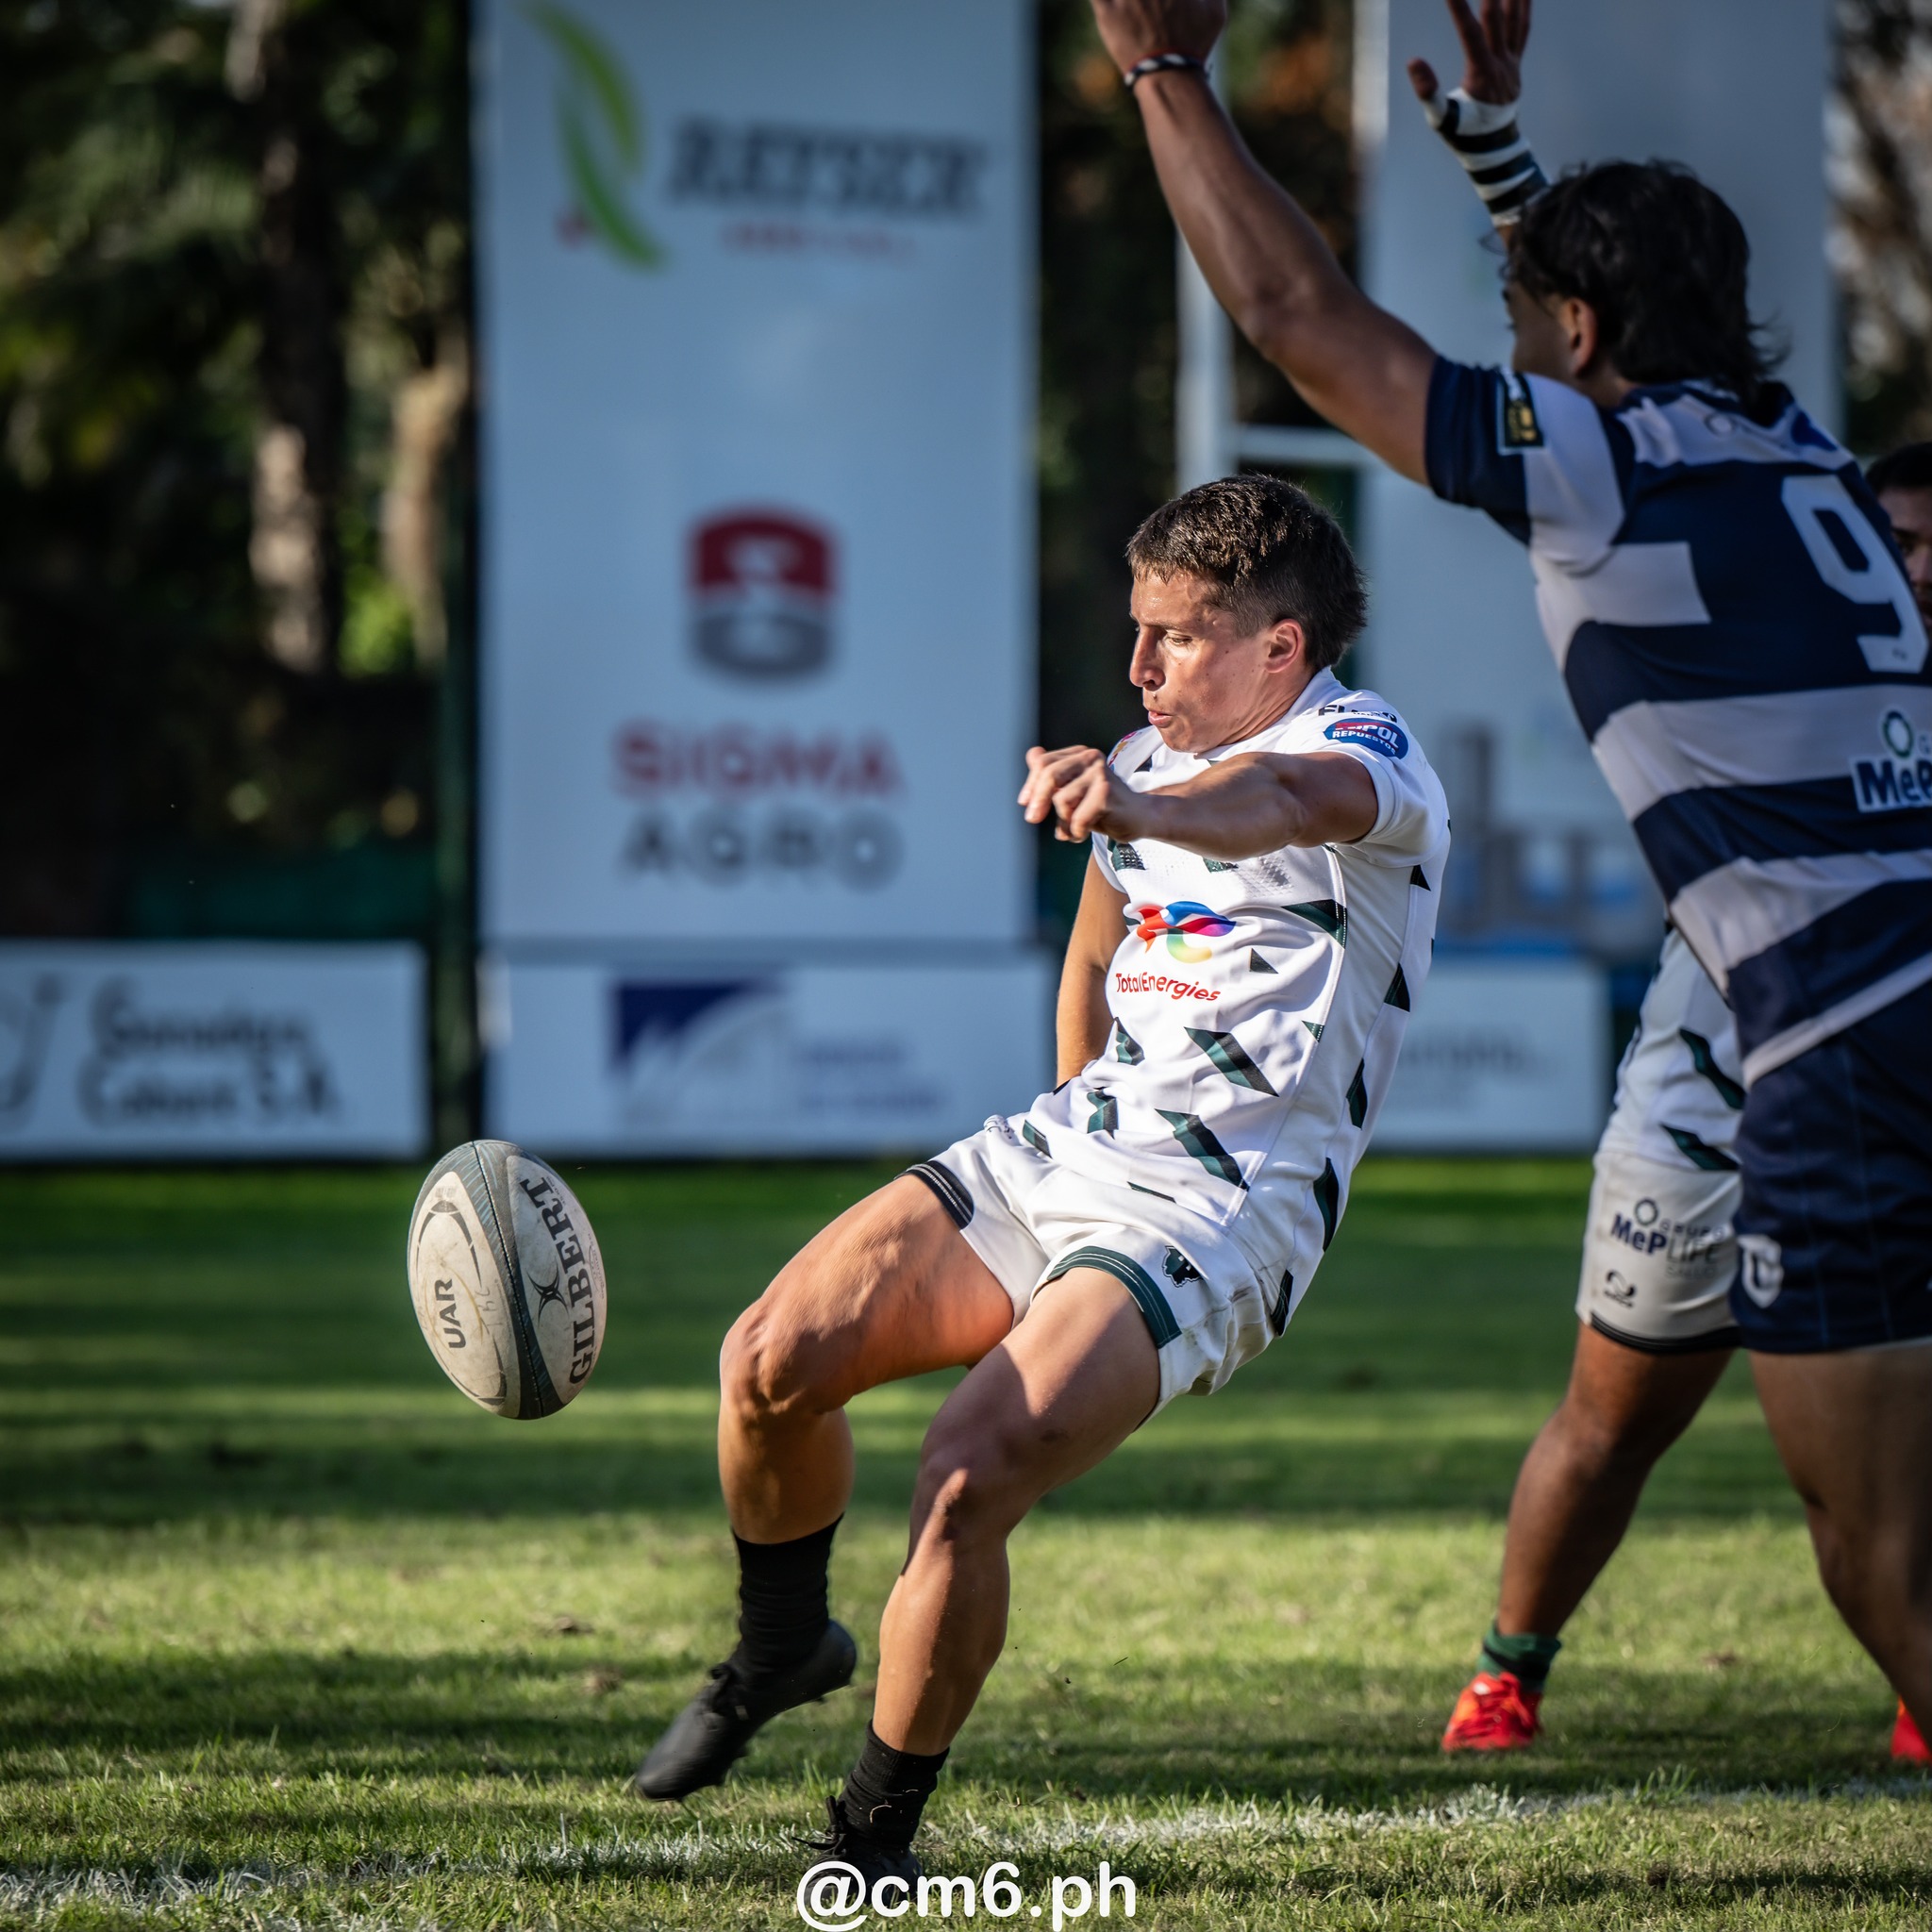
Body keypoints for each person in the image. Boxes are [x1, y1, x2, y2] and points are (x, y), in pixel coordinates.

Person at [1087, 0, 1932, 1771]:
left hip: (1845, 1048)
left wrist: (1165, 72)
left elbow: (1301, 321)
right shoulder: (1783, 439)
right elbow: (1592, 320)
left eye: (1534, 321)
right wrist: (1493, 148)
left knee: (1883, 1567)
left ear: (1582, 334)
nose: (1518, 349)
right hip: (1891, 993)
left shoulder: (1609, 469)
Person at [634, 474, 1450, 1883]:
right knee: (766, 1360)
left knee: (964, 1479)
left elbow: (1275, 800)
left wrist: (1146, 797)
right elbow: (1091, 951)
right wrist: (1076, 1094)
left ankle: (871, 1846)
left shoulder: (1362, 750)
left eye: (1178, 637)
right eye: (1135, 632)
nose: (1140, 668)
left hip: (1218, 1209)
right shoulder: (1142, 761)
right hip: (1071, 1144)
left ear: (1283, 647)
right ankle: (784, 1644)